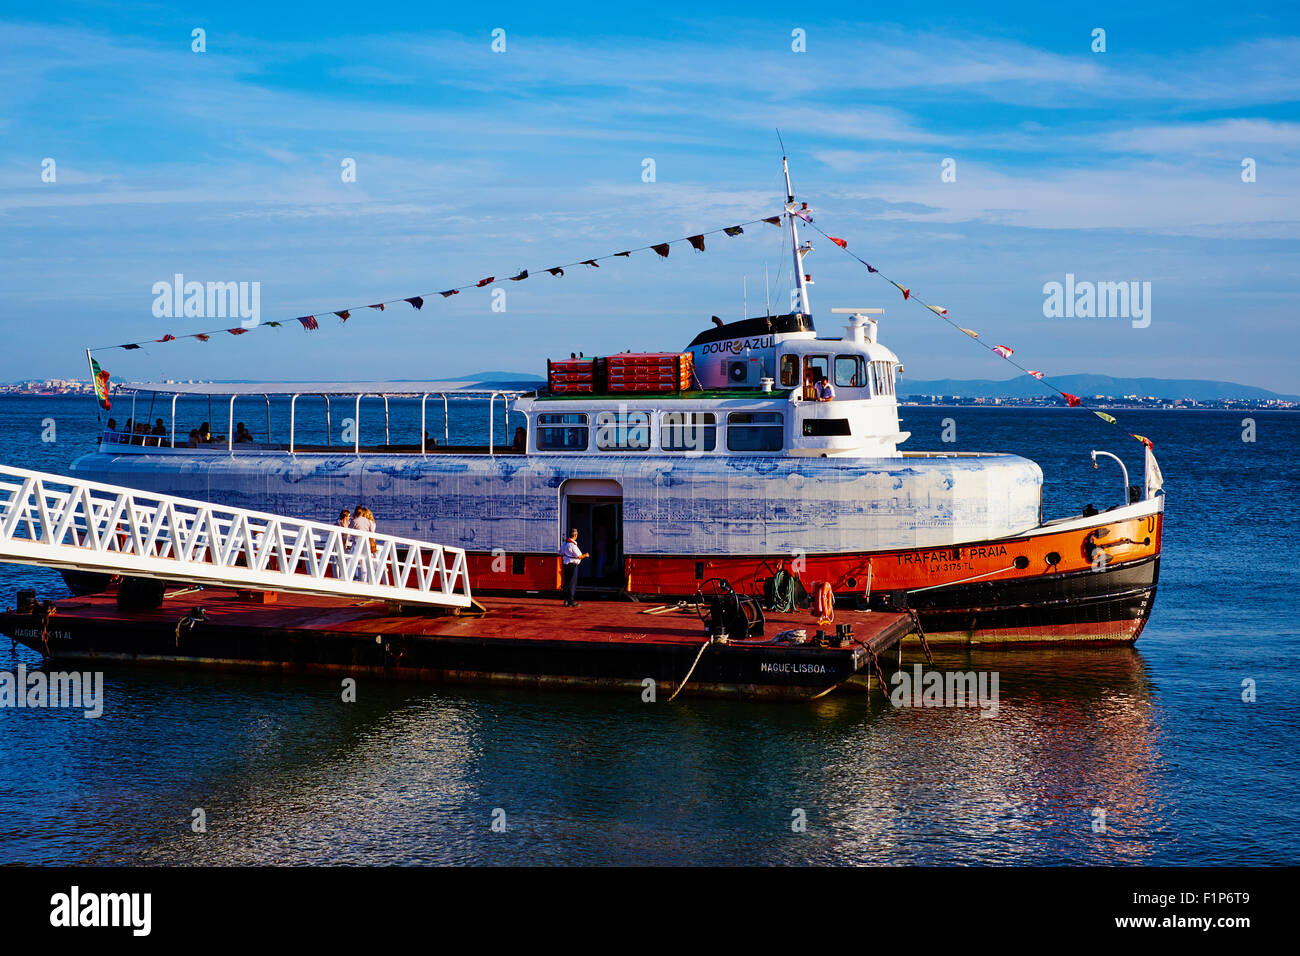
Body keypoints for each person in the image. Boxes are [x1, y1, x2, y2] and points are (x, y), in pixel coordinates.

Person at [559, 528, 589, 607]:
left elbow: (560, 552)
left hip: (566, 564)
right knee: (572, 583)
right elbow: (579, 556)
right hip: (573, 565)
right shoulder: (572, 545)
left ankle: (565, 600)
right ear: (575, 535)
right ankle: (571, 601)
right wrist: (586, 555)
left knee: (566, 582)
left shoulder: (564, 544)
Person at [350, 505, 377, 584]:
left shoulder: (355, 521)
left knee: (356, 562)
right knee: (365, 563)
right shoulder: (370, 522)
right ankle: (366, 580)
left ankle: (356, 578)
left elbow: (348, 530)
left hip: (359, 544)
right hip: (368, 544)